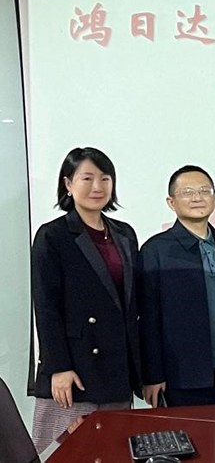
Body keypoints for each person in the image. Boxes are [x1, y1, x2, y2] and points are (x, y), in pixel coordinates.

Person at [29, 147, 141, 453]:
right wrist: (58, 367)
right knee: (69, 453)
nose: (97, 187)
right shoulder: (53, 236)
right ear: (68, 184)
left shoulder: (124, 234)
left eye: (105, 178)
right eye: (87, 178)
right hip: (75, 370)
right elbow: (46, 307)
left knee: (114, 451)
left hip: (116, 367)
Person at [139, 165, 215, 407]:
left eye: (204, 191)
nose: (198, 197)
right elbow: (148, 320)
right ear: (171, 202)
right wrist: (152, 375)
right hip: (181, 376)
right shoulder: (155, 250)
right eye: (187, 192)